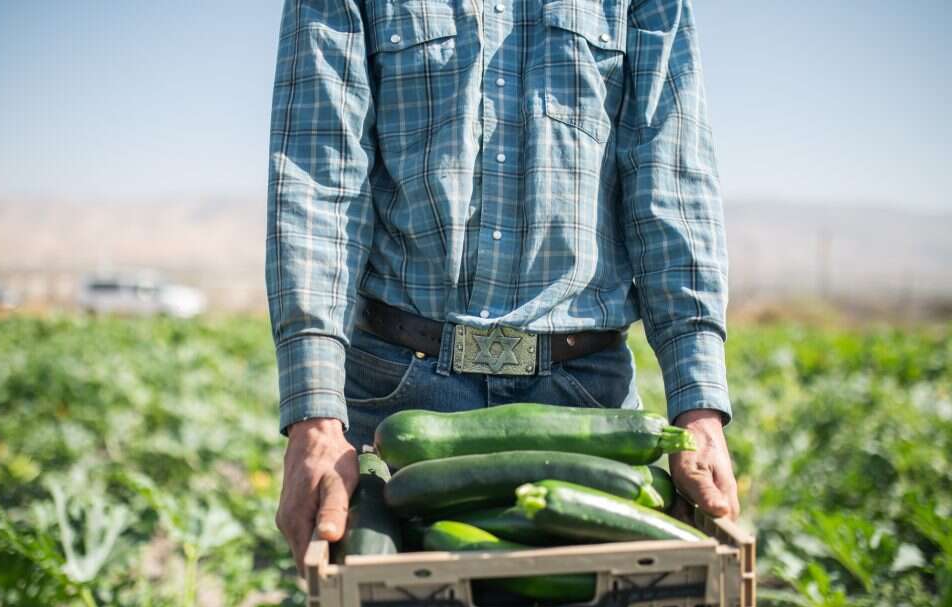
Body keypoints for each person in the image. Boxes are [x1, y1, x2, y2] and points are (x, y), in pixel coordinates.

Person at [266, 0, 739, 566]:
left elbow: (672, 188)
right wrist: (315, 417)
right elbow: (321, 182)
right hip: (401, 394)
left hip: (585, 400)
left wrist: (700, 408)